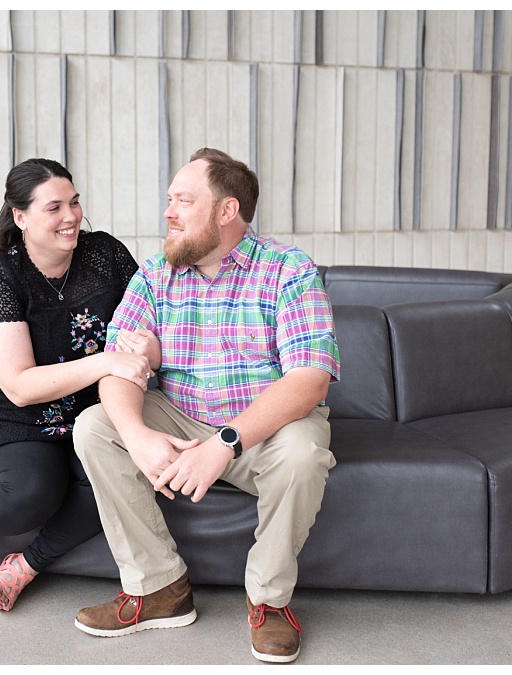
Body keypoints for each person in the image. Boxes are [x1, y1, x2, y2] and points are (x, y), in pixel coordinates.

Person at [71, 148, 339, 663]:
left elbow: (310, 380)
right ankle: (158, 588)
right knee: (96, 426)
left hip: (264, 428)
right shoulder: (153, 274)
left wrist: (226, 441)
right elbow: (118, 367)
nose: (168, 213)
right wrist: (136, 434)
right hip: (179, 417)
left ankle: (269, 601)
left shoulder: (289, 270)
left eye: (183, 201)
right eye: (169, 200)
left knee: (305, 449)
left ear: (226, 211)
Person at [0, 158, 160, 613]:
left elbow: (147, 324)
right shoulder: (1, 275)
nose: (70, 216)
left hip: (90, 414)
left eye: (74, 203)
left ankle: (27, 565)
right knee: (33, 489)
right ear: (21, 217)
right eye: (53, 207)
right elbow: (18, 386)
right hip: (12, 417)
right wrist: (108, 359)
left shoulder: (106, 254)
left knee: (120, 481)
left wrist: (147, 343)